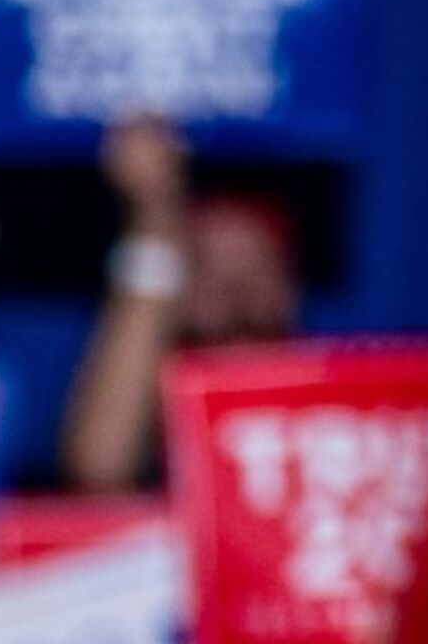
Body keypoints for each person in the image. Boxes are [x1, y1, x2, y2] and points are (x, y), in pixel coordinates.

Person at [56, 115, 304, 490]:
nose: (233, 292)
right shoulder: (161, 413)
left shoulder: (335, 423)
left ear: (291, 291)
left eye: (255, 268)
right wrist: (154, 215)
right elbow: (100, 468)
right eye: (208, 268)